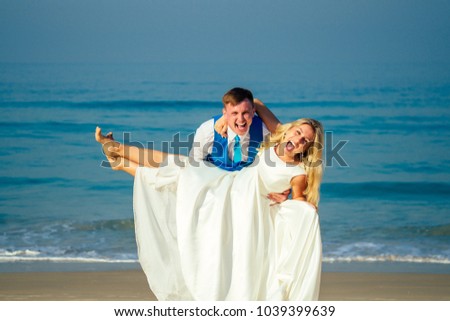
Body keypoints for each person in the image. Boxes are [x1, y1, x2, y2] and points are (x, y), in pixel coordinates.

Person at [95, 117, 324, 301]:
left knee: (179, 177)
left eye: (306, 139)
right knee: (177, 168)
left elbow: (300, 200)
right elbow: (252, 104)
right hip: (228, 182)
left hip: (239, 204)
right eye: (298, 132)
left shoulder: (299, 172)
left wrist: (293, 204)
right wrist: (224, 119)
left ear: (309, 148)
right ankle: (118, 154)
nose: (299, 139)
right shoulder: (274, 138)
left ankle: (118, 155)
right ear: (288, 130)